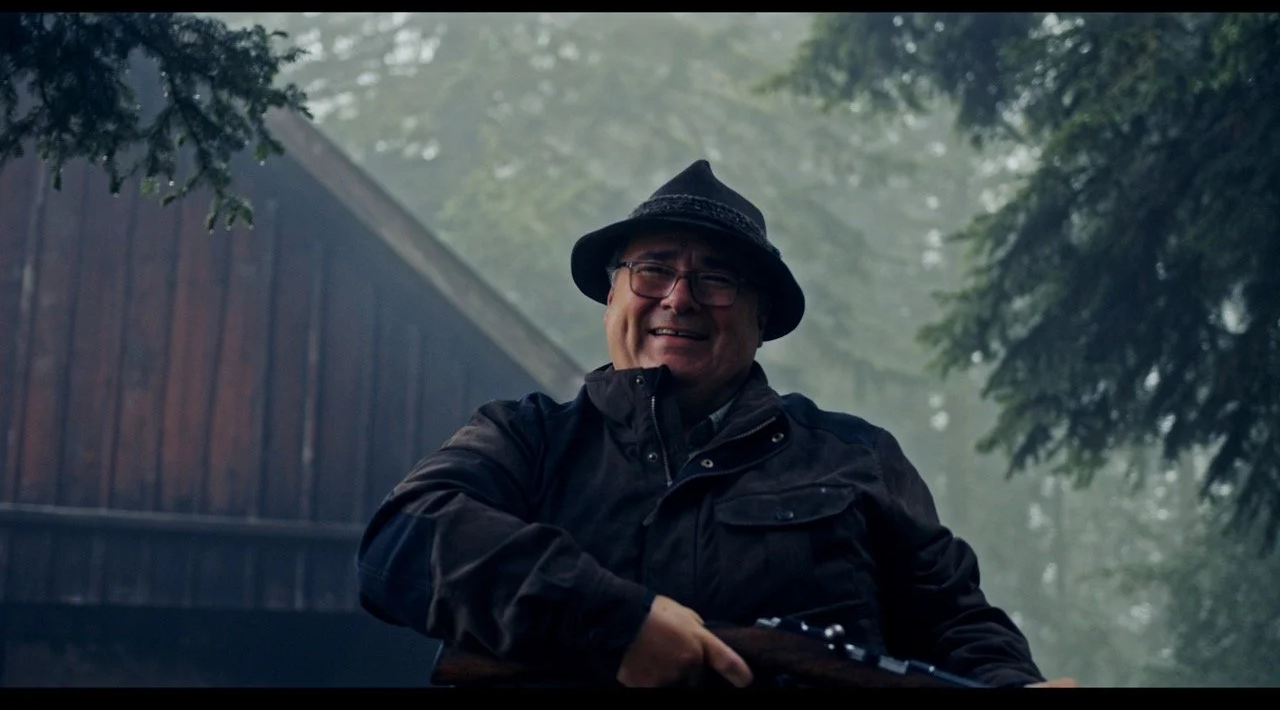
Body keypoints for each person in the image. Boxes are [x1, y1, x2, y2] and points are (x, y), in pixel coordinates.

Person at [354, 159, 1076, 689]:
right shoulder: (525, 438)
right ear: (613, 297)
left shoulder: (856, 456)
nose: (681, 297)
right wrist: (614, 622)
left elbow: (956, 625)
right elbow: (403, 542)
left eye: (717, 279)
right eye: (653, 270)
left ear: (762, 320)